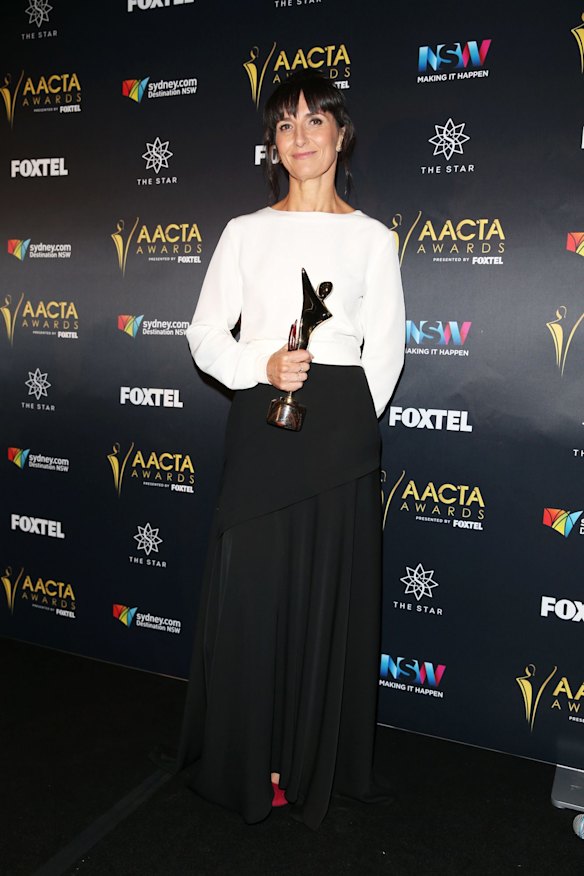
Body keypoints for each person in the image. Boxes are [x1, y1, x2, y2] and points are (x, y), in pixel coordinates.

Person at [178, 71, 405, 830]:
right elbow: (205, 333)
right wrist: (260, 368)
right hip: (261, 428)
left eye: (315, 120)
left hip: (338, 440)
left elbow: (388, 354)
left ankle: (313, 761)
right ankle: (253, 757)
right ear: (272, 144)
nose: (301, 135)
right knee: (254, 593)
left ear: (342, 134)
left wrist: (346, 424)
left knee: (324, 599)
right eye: (285, 124)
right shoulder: (245, 232)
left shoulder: (374, 239)